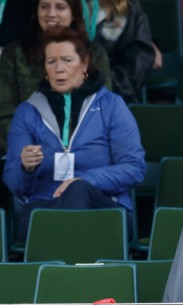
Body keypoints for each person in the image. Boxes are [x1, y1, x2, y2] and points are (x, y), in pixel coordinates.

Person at [3, 27, 146, 241]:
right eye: (52, 61)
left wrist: (86, 180)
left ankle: (63, 266)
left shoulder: (111, 106)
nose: (59, 68)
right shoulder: (27, 111)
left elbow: (135, 168)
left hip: (106, 212)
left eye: (67, 60)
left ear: (84, 64)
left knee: (78, 190)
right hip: (44, 208)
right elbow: (14, 185)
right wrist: (25, 167)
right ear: (45, 67)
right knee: (33, 217)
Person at [0, 0, 112, 155]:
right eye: (44, 6)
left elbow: (102, 111)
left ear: (73, 14)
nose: (51, 14)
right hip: (27, 153)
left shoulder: (94, 54)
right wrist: (28, 148)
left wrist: (68, 149)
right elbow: (4, 111)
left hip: (81, 154)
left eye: (60, 7)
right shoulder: (14, 53)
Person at [81, 0, 155, 103]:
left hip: (116, 97)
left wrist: (103, 85)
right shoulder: (66, 8)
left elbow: (137, 65)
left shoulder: (128, 10)